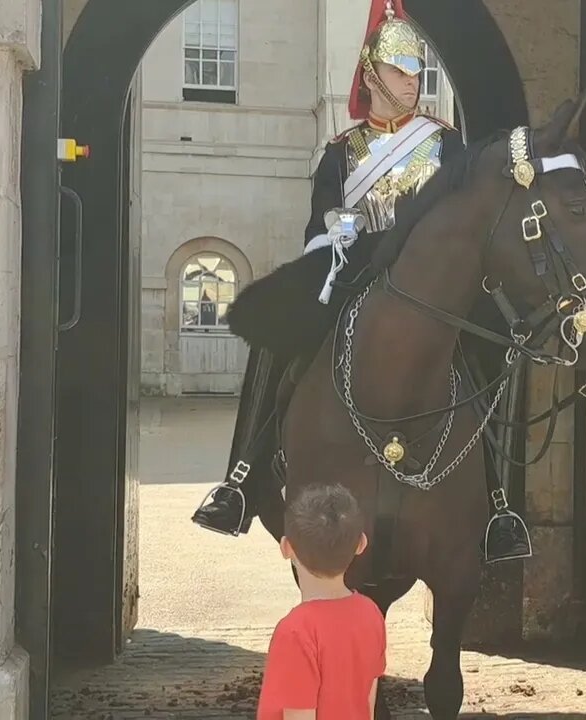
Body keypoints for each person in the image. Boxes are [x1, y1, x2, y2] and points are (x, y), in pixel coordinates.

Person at [192, 0, 531, 563]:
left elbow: (464, 211)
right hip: (351, 267)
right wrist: (333, 229)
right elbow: (317, 219)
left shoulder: (445, 145)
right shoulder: (339, 153)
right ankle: (242, 478)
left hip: (429, 277)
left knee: (494, 344)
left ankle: (499, 504)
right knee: (275, 335)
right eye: (401, 71)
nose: (413, 82)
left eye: (418, 71)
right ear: (373, 73)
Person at [256, 483, 385, 720]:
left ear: (286, 547)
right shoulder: (371, 613)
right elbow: (369, 703)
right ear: (361, 544)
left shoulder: (296, 631)